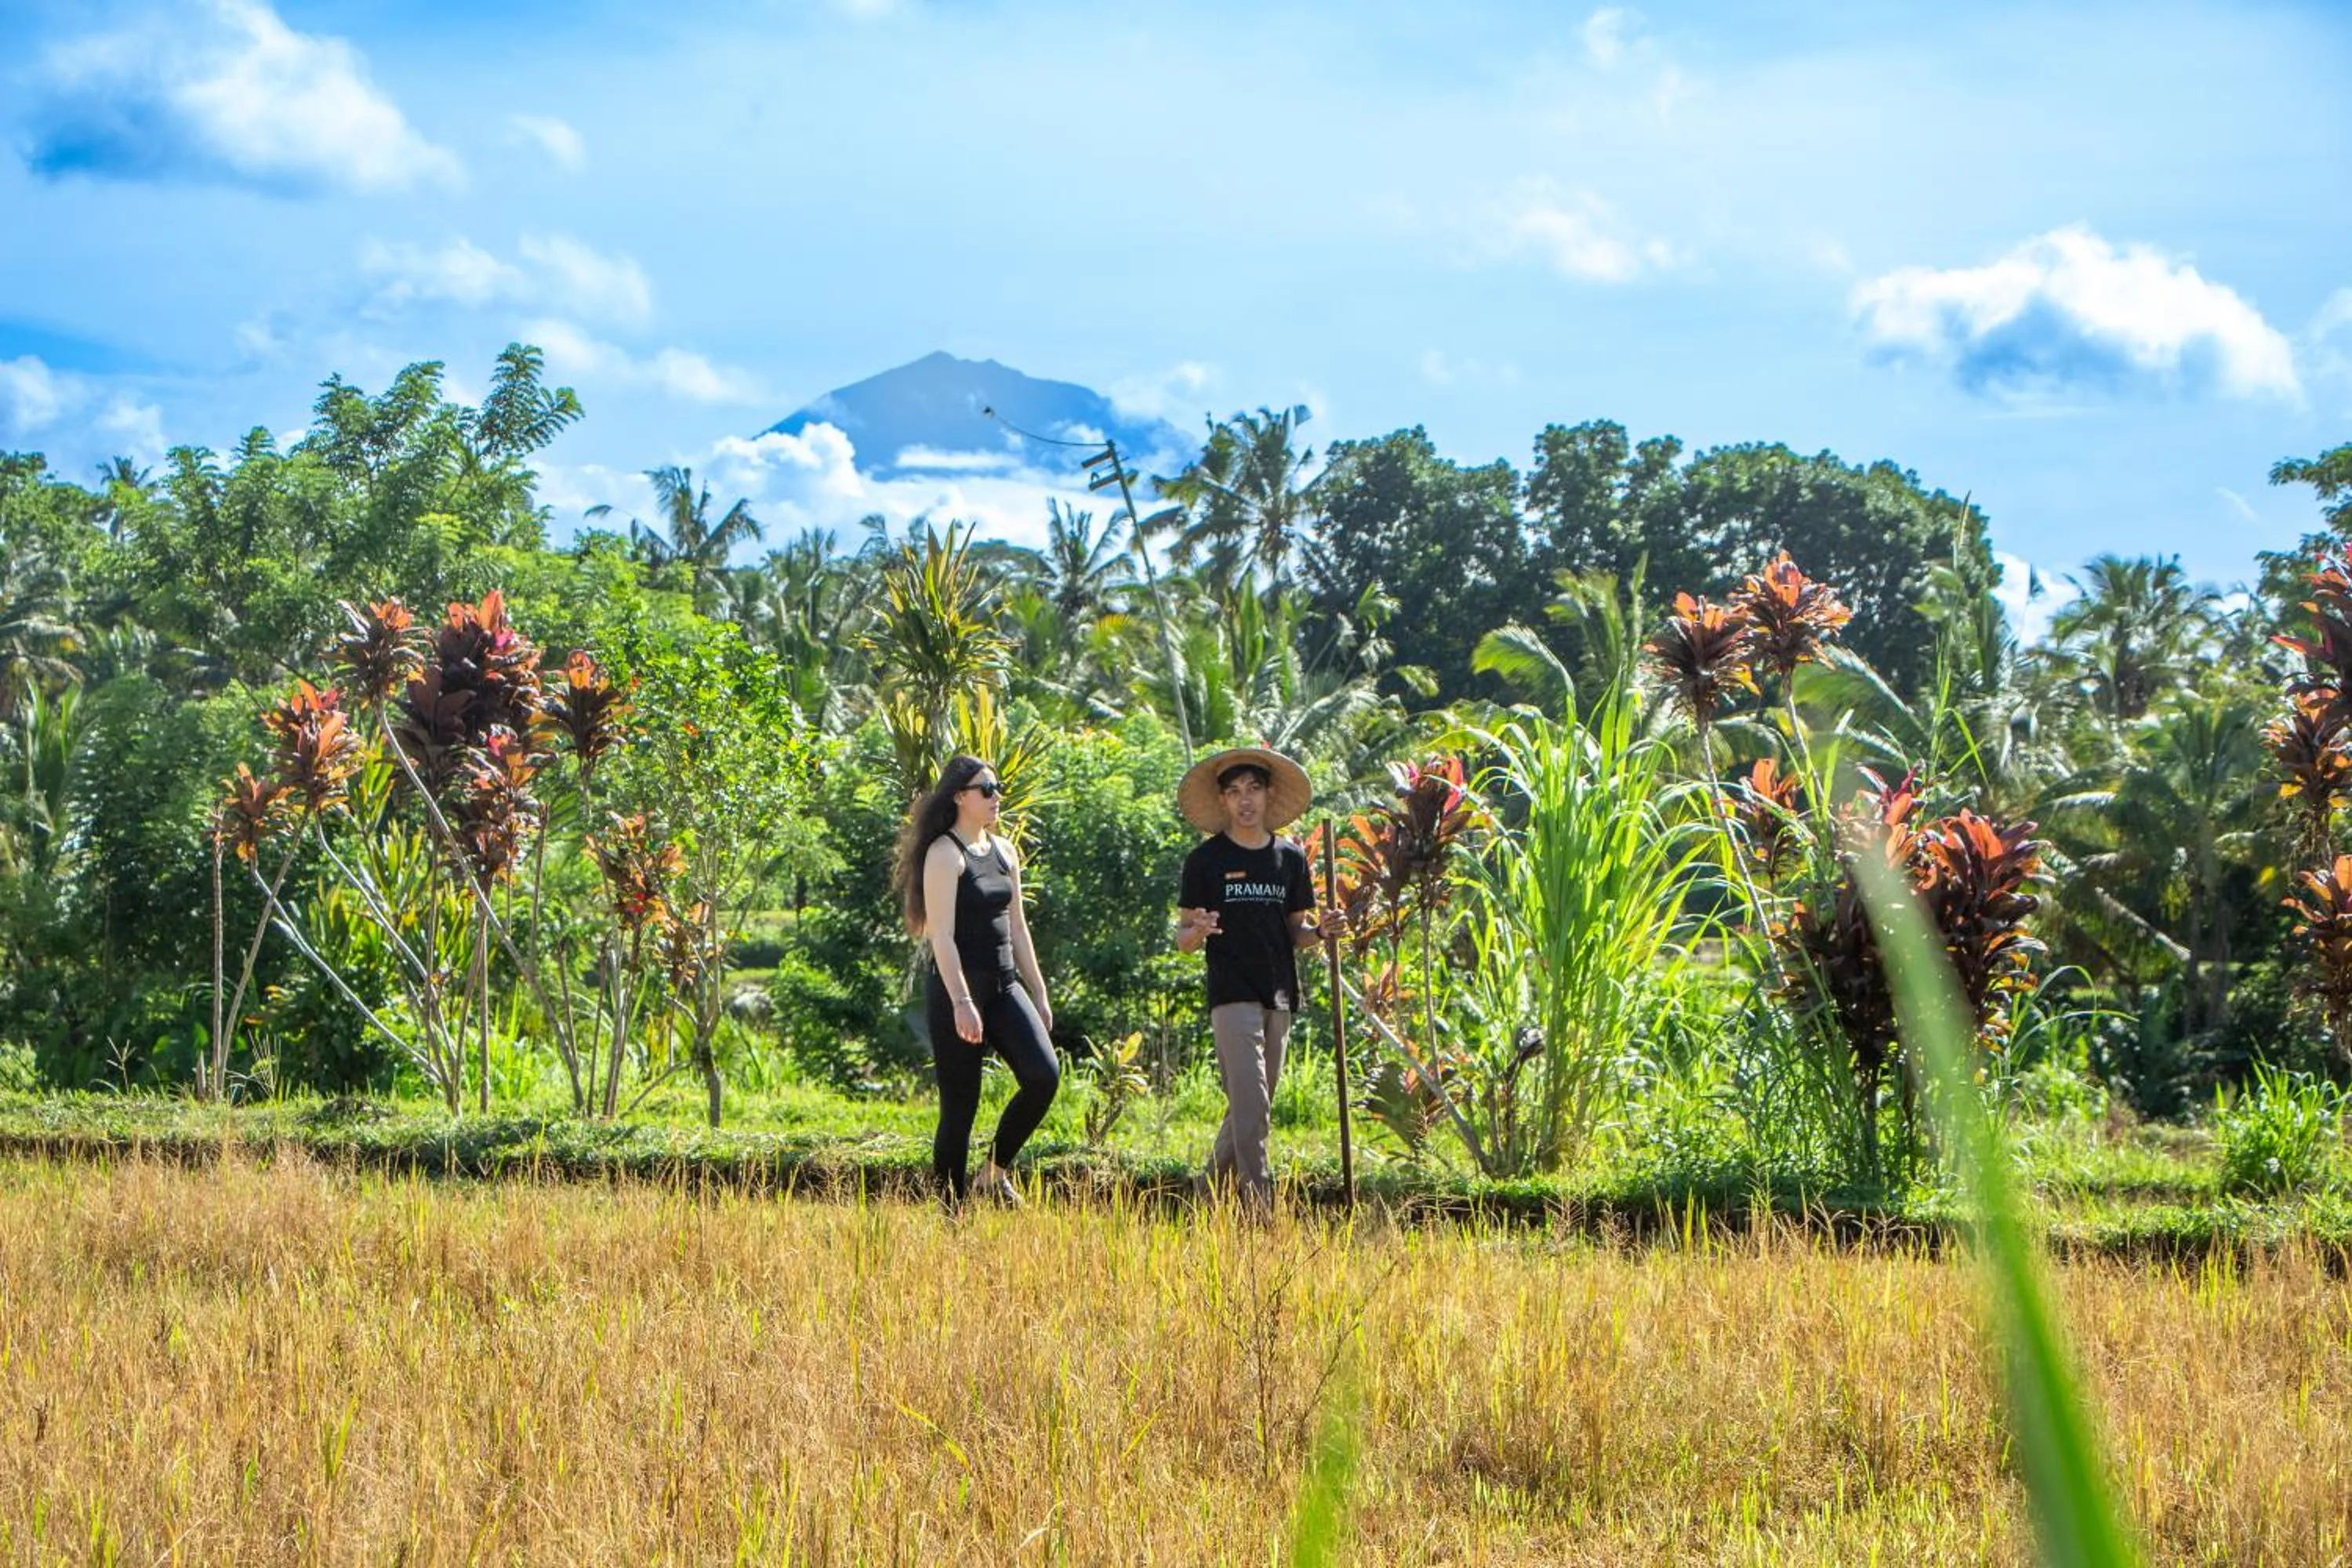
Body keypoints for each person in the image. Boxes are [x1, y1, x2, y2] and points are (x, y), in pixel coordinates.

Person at [1174, 746, 1341, 1210]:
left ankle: (1205, 1195)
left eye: (1253, 789)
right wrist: (1198, 930)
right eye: (1234, 792)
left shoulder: (1289, 859)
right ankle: (1259, 1208)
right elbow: (1184, 937)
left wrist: (1321, 932)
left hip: (1280, 993)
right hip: (1231, 994)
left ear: (1268, 794)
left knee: (1252, 1108)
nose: (1244, 800)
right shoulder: (1205, 861)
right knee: (1254, 1107)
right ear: (1223, 801)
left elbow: (1296, 932)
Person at [893, 753, 1059, 1207]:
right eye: (986, 790)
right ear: (960, 797)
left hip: (1005, 987)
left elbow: (1019, 928)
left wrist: (1039, 993)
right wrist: (963, 1001)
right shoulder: (945, 854)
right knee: (960, 1111)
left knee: (1044, 1076)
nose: (996, 797)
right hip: (958, 992)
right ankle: (951, 1216)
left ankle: (994, 1171)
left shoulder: (1005, 852)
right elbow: (941, 937)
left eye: (997, 787)